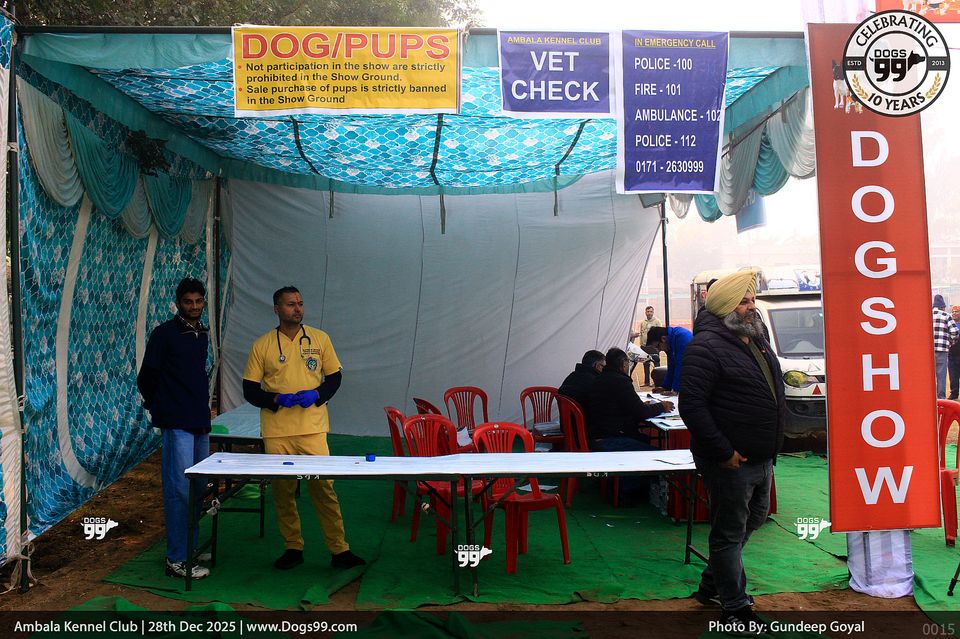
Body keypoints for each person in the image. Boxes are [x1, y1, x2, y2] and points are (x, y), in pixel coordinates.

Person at [679, 270, 784, 633]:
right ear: (724, 305)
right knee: (729, 532)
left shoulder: (754, 339)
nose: (750, 307)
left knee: (753, 520)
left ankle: (712, 583)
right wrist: (724, 452)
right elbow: (692, 406)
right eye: (742, 301)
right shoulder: (705, 347)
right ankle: (735, 607)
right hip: (730, 461)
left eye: (752, 300)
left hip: (760, 456)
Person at [242, 286, 365, 571]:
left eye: (300, 303)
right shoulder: (262, 345)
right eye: (290, 304)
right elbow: (250, 390)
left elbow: (334, 378)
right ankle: (293, 547)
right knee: (283, 492)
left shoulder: (320, 339)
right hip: (277, 431)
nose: (297, 309)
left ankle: (339, 550)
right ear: (276, 309)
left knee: (324, 488)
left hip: (312, 428)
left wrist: (317, 394)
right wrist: (275, 399)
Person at [137, 277, 212, 580]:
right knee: (179, 490)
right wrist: (161, 407)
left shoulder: (202, 333)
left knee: (198, 486)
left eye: (198, 301)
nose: (194, 306)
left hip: (200, 421)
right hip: (177, 423)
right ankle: (177, 559)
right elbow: (147, 377)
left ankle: (190, 547)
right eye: (188, 302)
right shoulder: (164, 334)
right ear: (178, 303)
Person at [586, 347, 673, 451]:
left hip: (600, 435)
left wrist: (642, 405)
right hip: (612, 439)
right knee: (660, 453)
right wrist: (662, 406)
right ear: (623, 363)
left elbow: (627, 405)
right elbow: (642, 412)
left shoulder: (600, 379)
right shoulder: (620, 381)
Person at [645, 325, 693, 395]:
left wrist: (675, 390)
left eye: (658, 346)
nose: (658, 350)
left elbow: (680, 366)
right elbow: (671, 367)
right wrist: (665, 387)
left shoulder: (682, 337)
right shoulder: (669, 342)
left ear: (663, 338)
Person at [933, 294, 958, 400]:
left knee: (929, 376)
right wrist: (949, 343)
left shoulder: (926, 315)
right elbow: (955, 332)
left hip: (928, 351)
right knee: (941, 375)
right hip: (942, 350)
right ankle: (941, 398)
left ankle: (930, 398)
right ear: (942, 306)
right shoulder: (946, 315)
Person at [630, 306, 662, 385]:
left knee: (656, 364)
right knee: (645, 364)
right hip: (644, 346)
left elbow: (660, 334)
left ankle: (657, 382)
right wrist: (641, 345)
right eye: (648, 311)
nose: (649, 313)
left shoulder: (657, 322)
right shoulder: (643, 322)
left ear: (653, 312)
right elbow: (642, 333)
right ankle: (647, 382)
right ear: (645, 312)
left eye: (651, 311)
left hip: (654, 347)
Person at [950, 305, 960, 401]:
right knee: (953, 375)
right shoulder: (949, 323)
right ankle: (954, 394)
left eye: (956, 311)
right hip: (952, 354)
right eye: (953, 312)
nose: (954, 313)